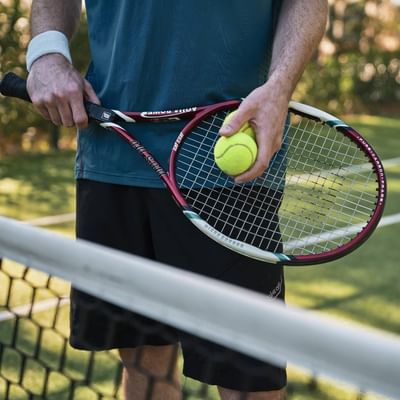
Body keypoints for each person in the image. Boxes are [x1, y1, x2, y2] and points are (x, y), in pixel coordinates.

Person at [26, 1, 328, 399]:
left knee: (247, 381)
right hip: (113, 150)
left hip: (226, 160)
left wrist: (279, 87)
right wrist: (46, 53)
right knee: (143, 364)